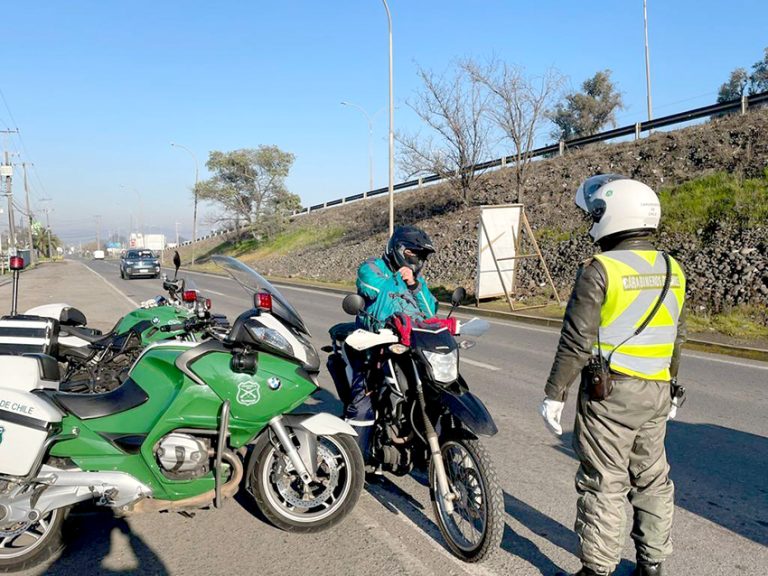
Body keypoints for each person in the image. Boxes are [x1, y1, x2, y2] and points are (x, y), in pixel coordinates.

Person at [539, 175, 687, 576]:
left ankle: (597, 570)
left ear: (611, 216)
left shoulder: (600, 269)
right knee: (653, 478)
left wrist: (555, 393)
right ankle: (651, 565)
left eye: (595, 213)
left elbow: (576, 340)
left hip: (611, 395)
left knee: (604, 482)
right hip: (657, 392)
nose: (591, 221)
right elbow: (676, 336)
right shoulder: (673, 269)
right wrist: (673, 388)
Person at [343, 225, 438, 459]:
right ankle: (355, 461)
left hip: (409, 344)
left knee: (434, 389)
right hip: (373, 346)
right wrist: (400, 277)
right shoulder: (371, 268)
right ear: (399, 250)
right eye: (414, 254)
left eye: (422, 257)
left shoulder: (417, 281)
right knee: (363, 402)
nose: (418, 261)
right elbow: (378, 294)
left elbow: (430, 312)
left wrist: (415, 285)